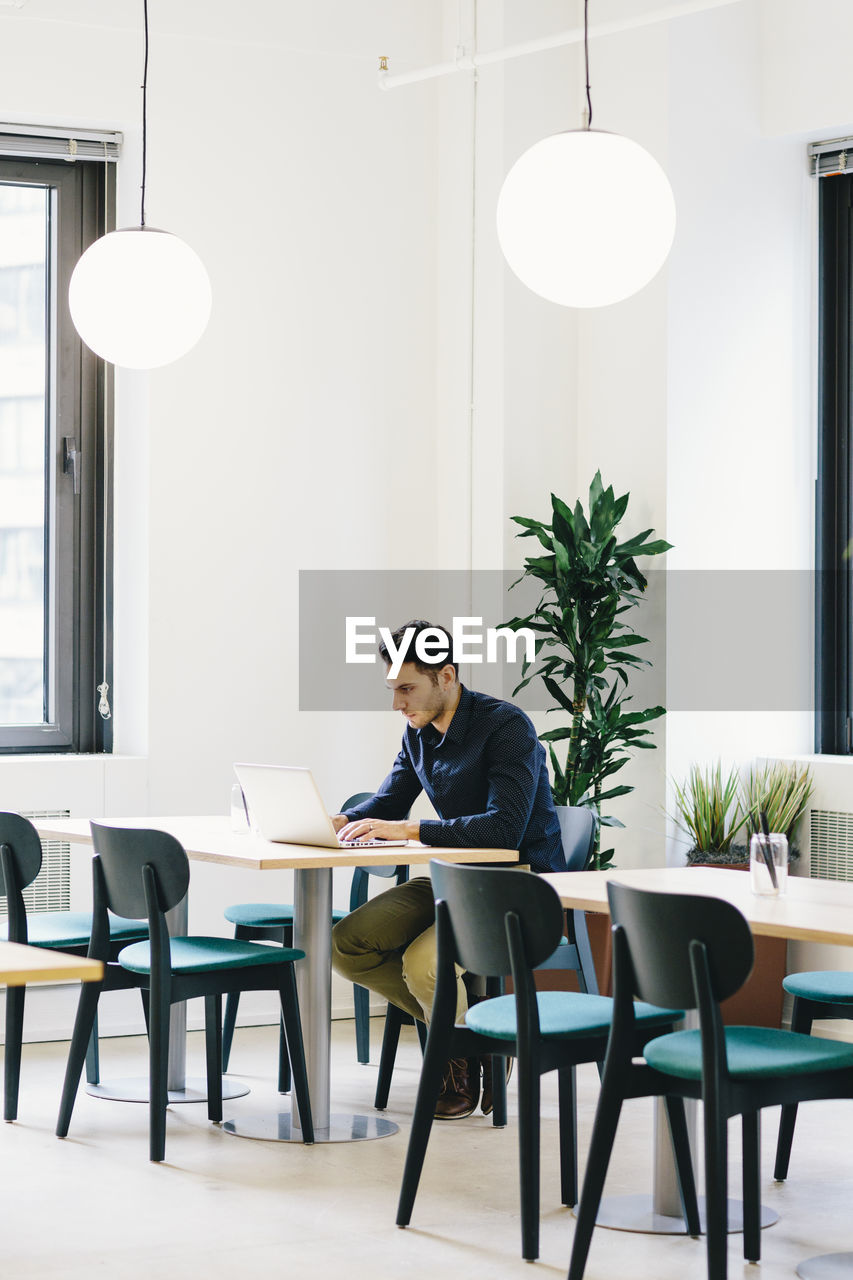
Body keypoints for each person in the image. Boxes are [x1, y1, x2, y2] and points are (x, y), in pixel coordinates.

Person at [330, 619, 564, 1120]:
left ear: (447, 676)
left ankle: (453, 1057)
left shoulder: (506, 726)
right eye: (393, 690)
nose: (398, 703)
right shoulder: (417, 731)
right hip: (452, 877)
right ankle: (474, 1043)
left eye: (407, 689)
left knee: (424, 964)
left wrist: (412, 831)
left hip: (516, 882)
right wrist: (342, 818)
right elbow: (391, 799)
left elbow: (503, 829)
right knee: (347, 944)